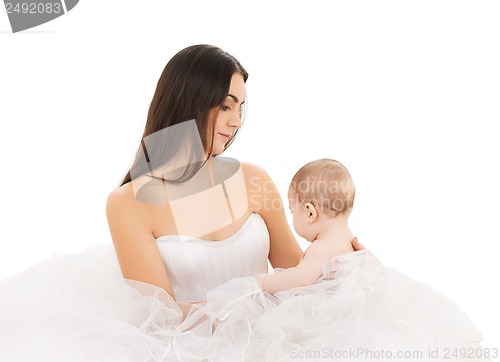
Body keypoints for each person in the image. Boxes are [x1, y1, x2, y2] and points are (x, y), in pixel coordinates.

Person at [0, 44, 363, 361]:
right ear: (191, 100)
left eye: (241, 109)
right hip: (184, 350)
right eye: (226, 106)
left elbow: (299, 276)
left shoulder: (254, 179)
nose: (236, 122)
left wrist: (343, 255)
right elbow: (162, 317)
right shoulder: (127, 203)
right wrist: (245, 306)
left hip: (272, 344)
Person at [205, 158, 488, 361]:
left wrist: (265, 281)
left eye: (292, 212)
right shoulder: (353, 243)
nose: (293, 218)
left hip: (338, 318)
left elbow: (301, 278)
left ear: (310, 212)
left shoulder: (320, 248)